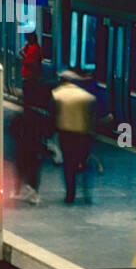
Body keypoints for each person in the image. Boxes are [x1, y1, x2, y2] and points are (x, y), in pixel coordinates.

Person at [51, 70, 96, 205]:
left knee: (69, 166)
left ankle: (70, 195)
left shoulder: (57, 95)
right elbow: (92, 116)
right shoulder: (86, 96)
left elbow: (52, 114)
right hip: (84, 136)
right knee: (85, 163)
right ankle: (87, 194)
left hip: (66, 136)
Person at [8, 108, 46, 205]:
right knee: (34, 169)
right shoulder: (39, 116)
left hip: (22, 145)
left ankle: (17, 190)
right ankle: (33, 192)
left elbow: (13, 130)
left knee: (20, 168)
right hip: (35, 146)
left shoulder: (19, 115)